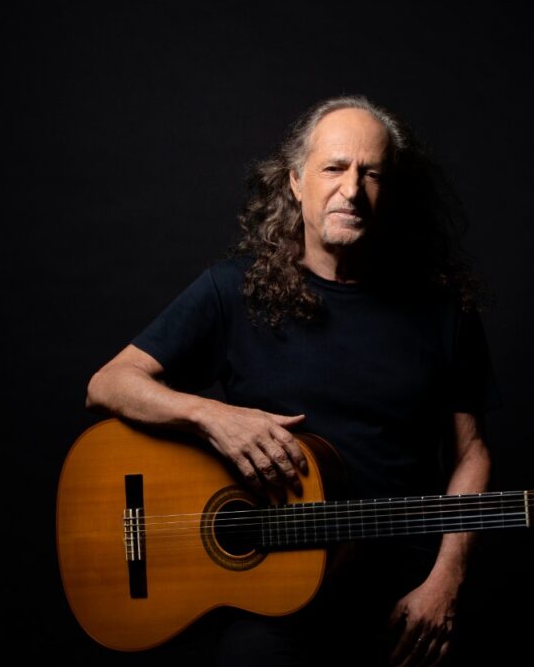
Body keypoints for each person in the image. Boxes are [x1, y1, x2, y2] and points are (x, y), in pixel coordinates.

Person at [85, 95, 501, 666]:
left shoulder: (444, 310)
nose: (351, 190)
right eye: (334, 168)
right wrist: (211, 416)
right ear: (296, 182)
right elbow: (109, 383)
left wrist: (445, 581)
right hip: (270, 596)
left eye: (372, 174)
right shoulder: (233, 291)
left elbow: (471, 452)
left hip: (402, 595)